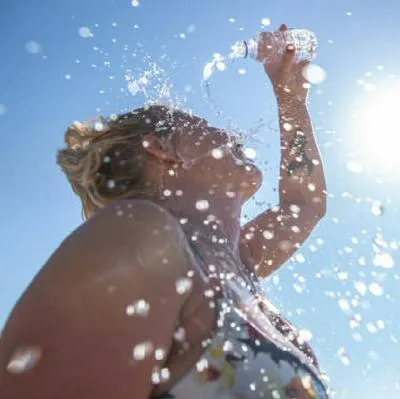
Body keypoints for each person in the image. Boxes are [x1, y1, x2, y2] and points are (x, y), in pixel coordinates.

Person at [0, 24, 328, 399]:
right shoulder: (143, 241)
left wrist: (290, 98)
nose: (232, 135)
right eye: (204, 126)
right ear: (160, 149)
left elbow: (303, 206)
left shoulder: (237, 262)